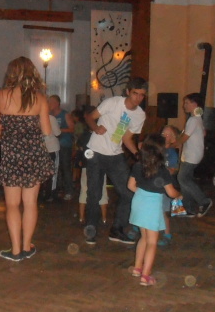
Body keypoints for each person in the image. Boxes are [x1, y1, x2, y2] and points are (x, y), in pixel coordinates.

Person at [0, 57, 54, 262]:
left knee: (12, 205)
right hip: (34, 155)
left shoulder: (0, 96)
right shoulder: (40, 98)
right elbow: (47, 130)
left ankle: (16, 250)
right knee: (30, 203)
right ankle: (27, 246)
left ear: (11, 73)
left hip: (12, 155)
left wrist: (9, 136)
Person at [83, 77, 148, 245]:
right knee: (94, 193)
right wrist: (96, 127)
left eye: (142, 95)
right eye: (135, 93)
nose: (138, 98)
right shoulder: (113, 103)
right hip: (96, 153)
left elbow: (126, 138)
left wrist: (137, 154)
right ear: (128, 92)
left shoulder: (140, 115)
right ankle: (91, 228)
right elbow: (89, 117)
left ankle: (117, 229)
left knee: (128, 192)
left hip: (116, 155)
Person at [128, 135, 182, 287]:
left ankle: (137, 268)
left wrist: (143, 194)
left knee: (143, 238)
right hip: (151, 206)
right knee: (152, 242)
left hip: (138, 202)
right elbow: (171, 193)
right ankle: (145, 276)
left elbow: (130, 186)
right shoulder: (162, 170)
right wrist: (179, 194)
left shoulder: (138, 165)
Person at [175, 93, 212, 218]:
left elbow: (184, 138)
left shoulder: (193, 120)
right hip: (191, 154)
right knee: (185, 181)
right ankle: (188, 208)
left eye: (187, 103)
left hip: (192, 155)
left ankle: (204, 201)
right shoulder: (197, 118)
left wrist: (171, 144)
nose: (184, 105)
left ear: (194, 104)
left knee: (182, 178)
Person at [48, 95, 76, 201]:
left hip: (64, 144)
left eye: (52, 102)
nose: (50, 104)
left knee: (65, 168)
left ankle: (69, 191)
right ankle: (57, 190)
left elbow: (72, 128)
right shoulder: (49, 115)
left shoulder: (65, 114)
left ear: (57, 103)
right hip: (53, 146)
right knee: (55, 169)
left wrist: (59, 130)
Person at [159, 124, 181, 246]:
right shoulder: (156, 150)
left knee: (164, 211)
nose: (164, 136)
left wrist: (162, 168)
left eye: (167, 135)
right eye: (162, 133)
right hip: (154, 185)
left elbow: (173, 170)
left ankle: (167, 234)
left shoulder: (171, 153)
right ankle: (137, 228)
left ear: (173, 139)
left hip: (165, 185)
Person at [40, 110, 61, 202]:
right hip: (52, 147)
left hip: (39, 148)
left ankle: (41, 193)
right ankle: (51, 194)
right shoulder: (51, 118)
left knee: (40, 171)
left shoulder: (33, 118)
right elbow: (57, 133)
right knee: (53, 172)